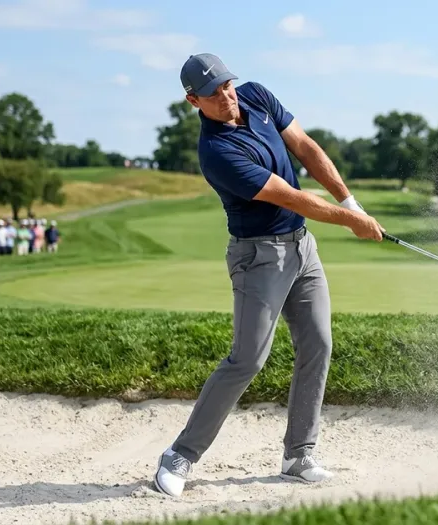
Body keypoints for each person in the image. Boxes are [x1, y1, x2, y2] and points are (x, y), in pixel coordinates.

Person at [153, 53, 385, 498]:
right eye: (214, 94)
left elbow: (306, 147)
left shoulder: (256, 95)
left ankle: (298, 454)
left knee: (318, 342)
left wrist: (350, 202)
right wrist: (349, 222)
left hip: (302, 248)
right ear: (192, 101)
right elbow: (291, 197)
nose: (227, 98)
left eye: (227, 86)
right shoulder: (217, 153)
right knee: (248, 359)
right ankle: (179, 455)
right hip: (257, 258)